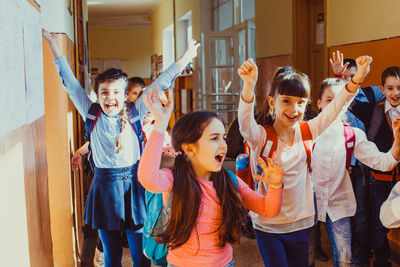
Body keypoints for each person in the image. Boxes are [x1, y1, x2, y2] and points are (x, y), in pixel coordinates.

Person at [42, 29, 200, 267]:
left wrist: (186, 56)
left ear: (125, 95)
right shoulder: (91, 112)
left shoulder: (137, 111)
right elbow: (71, 84)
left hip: (135, 186)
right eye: (104, 92)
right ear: (97, 94)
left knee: (140, 256)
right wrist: (54, 46)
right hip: (104, 189)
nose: (110, 98)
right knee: (112, 257)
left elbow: (162, 82)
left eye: (116, 92)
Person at [237, 56, 372, 267]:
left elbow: (336, 108)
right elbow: (245, 124)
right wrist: (248, 86)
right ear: (273, 102)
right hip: (268, 226)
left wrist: (355, 81)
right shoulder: (262, 137)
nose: (294, 109)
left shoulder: (308, 131)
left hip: (301, 223)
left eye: (300, 102)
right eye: (287, 101)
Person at [137, 87, 284, 267]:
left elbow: (268, 209)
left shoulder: (230, 180)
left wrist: (276, 186)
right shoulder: (173, 179)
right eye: (214, 138)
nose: (223, 145)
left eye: (223, 137)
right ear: (189, 149)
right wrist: (160, 123)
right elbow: (147, 178)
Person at [312, 78, 400, 267]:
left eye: (340, 101)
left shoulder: (352, 134)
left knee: (345, 259)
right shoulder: (306, 131)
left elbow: (381, 161)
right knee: (305, 257)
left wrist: (397, 145)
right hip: (307, 205)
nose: (335, 106)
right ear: (319, 103)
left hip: (338, 204)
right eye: (329, 100)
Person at [350, 66, 400, 267]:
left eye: (399, 88)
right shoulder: (374, 110)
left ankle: (381, 261)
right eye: (390, 88)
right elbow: (347, 101)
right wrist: (341, 76)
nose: (395, 93)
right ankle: (369, 261)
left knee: (384, 223)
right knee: (370, 222)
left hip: (397, 181)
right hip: (375, 178)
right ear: (382, 88)